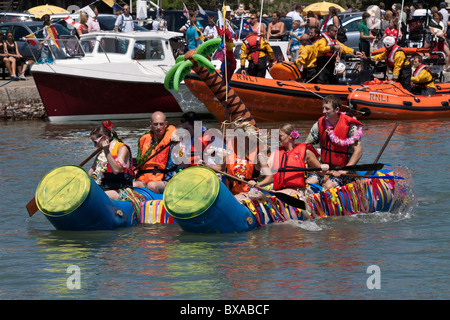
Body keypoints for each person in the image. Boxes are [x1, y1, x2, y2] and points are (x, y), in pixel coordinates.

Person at [305, 95, 363, 189]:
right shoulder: (319, 124)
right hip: (324, 168)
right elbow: (307, 146)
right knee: (309, 182)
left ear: (336, 109)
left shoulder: (351, 126)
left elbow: (358, 152)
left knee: (329, 185)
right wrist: (317, 166)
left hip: (344, 169)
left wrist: (344, 171)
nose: (324, 111)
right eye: (323, 108)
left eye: (327, 109)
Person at [261, 124, 328, 197]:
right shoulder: (277, 153)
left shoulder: (306, 152)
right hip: (280, 190)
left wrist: (324, 167)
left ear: (290, 136)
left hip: (298, 191)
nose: (277, 139)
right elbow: (268, 175)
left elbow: (321, 172)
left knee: (277, 194)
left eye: (280, 136)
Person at [224, 121, 273, 199]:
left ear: (249, 139)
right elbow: (220, 169)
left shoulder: (258, 155)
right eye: (237, 138)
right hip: (231, 192)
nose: (238, 141)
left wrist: (257, 184)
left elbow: (270, 178)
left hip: (250, 193)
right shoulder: (231, 151)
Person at [134, 111, 178, 193]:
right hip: (145, 178)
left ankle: (155, 203)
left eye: (161, 124)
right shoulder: (144, 139)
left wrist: (177, 146)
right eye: (155, 124)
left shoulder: (173, 140)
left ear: (166, 124)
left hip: (165, 180)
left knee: (152, 186)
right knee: (131, 185)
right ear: (151, 124)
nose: (158, 127)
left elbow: (183, 160)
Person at [88, 121, 134, 200]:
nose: (95, 146)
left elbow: (116, 170)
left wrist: (107, 151)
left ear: (105, 138)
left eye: (95, 142)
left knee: (100, 195)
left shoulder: (122, 148)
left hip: (122, 190)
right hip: (105, 188)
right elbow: (92, 170)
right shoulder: (100, 153)